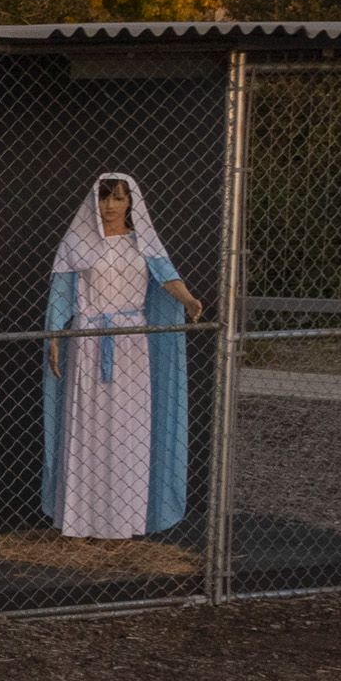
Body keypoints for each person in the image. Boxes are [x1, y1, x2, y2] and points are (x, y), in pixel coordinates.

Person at [43, 173, 211, 540]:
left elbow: (167, 277)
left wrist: (188, 300)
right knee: (88, 425)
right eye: (104, 199)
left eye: (118, 199)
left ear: (131, 202)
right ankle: (80, 520)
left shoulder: (143, 244)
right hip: (88, 342)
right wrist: (54, 336)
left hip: (132, 345)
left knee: (128, 428)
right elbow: (62, 292)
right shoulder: (78, 244)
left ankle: (124, 520)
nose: (110, 207)